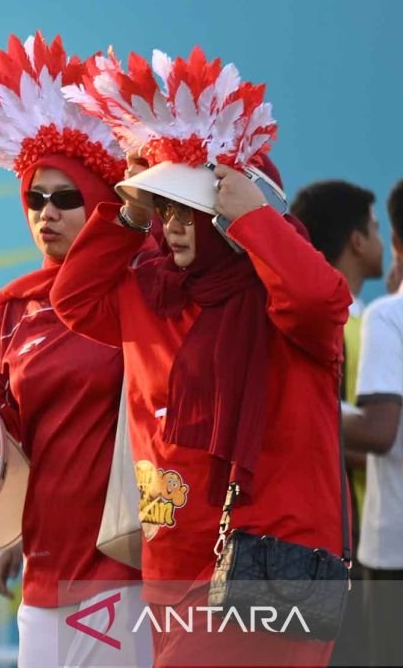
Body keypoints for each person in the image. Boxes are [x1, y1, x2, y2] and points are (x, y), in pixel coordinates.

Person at [53, 47, 348, 666]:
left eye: (193, 208)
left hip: (269, 563)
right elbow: (74, 300)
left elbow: (321, 300)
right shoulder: (152, 292)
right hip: (173, 566)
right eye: (167, 208)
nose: (176, 225)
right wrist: (130, 211)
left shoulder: (282, 302)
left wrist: (254, 218)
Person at [0, 32, 150, 668]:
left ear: (104, 204)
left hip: (122, 565)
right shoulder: (13, 303)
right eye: (34, 198)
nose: (45, 213)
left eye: (65, 198)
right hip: (43, 563)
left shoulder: (141, 291)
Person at [291, 180, 384, 666]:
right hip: (351, 538)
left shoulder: (353, 322)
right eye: (375, 228)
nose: (382, 240)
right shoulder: (350, 326)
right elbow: (344, 432)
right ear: (357, 241)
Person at [343, 178, 403, 667]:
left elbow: (380, 433)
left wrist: (300, 405)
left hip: (393, 550)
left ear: (398, 244)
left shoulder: (388, 316)